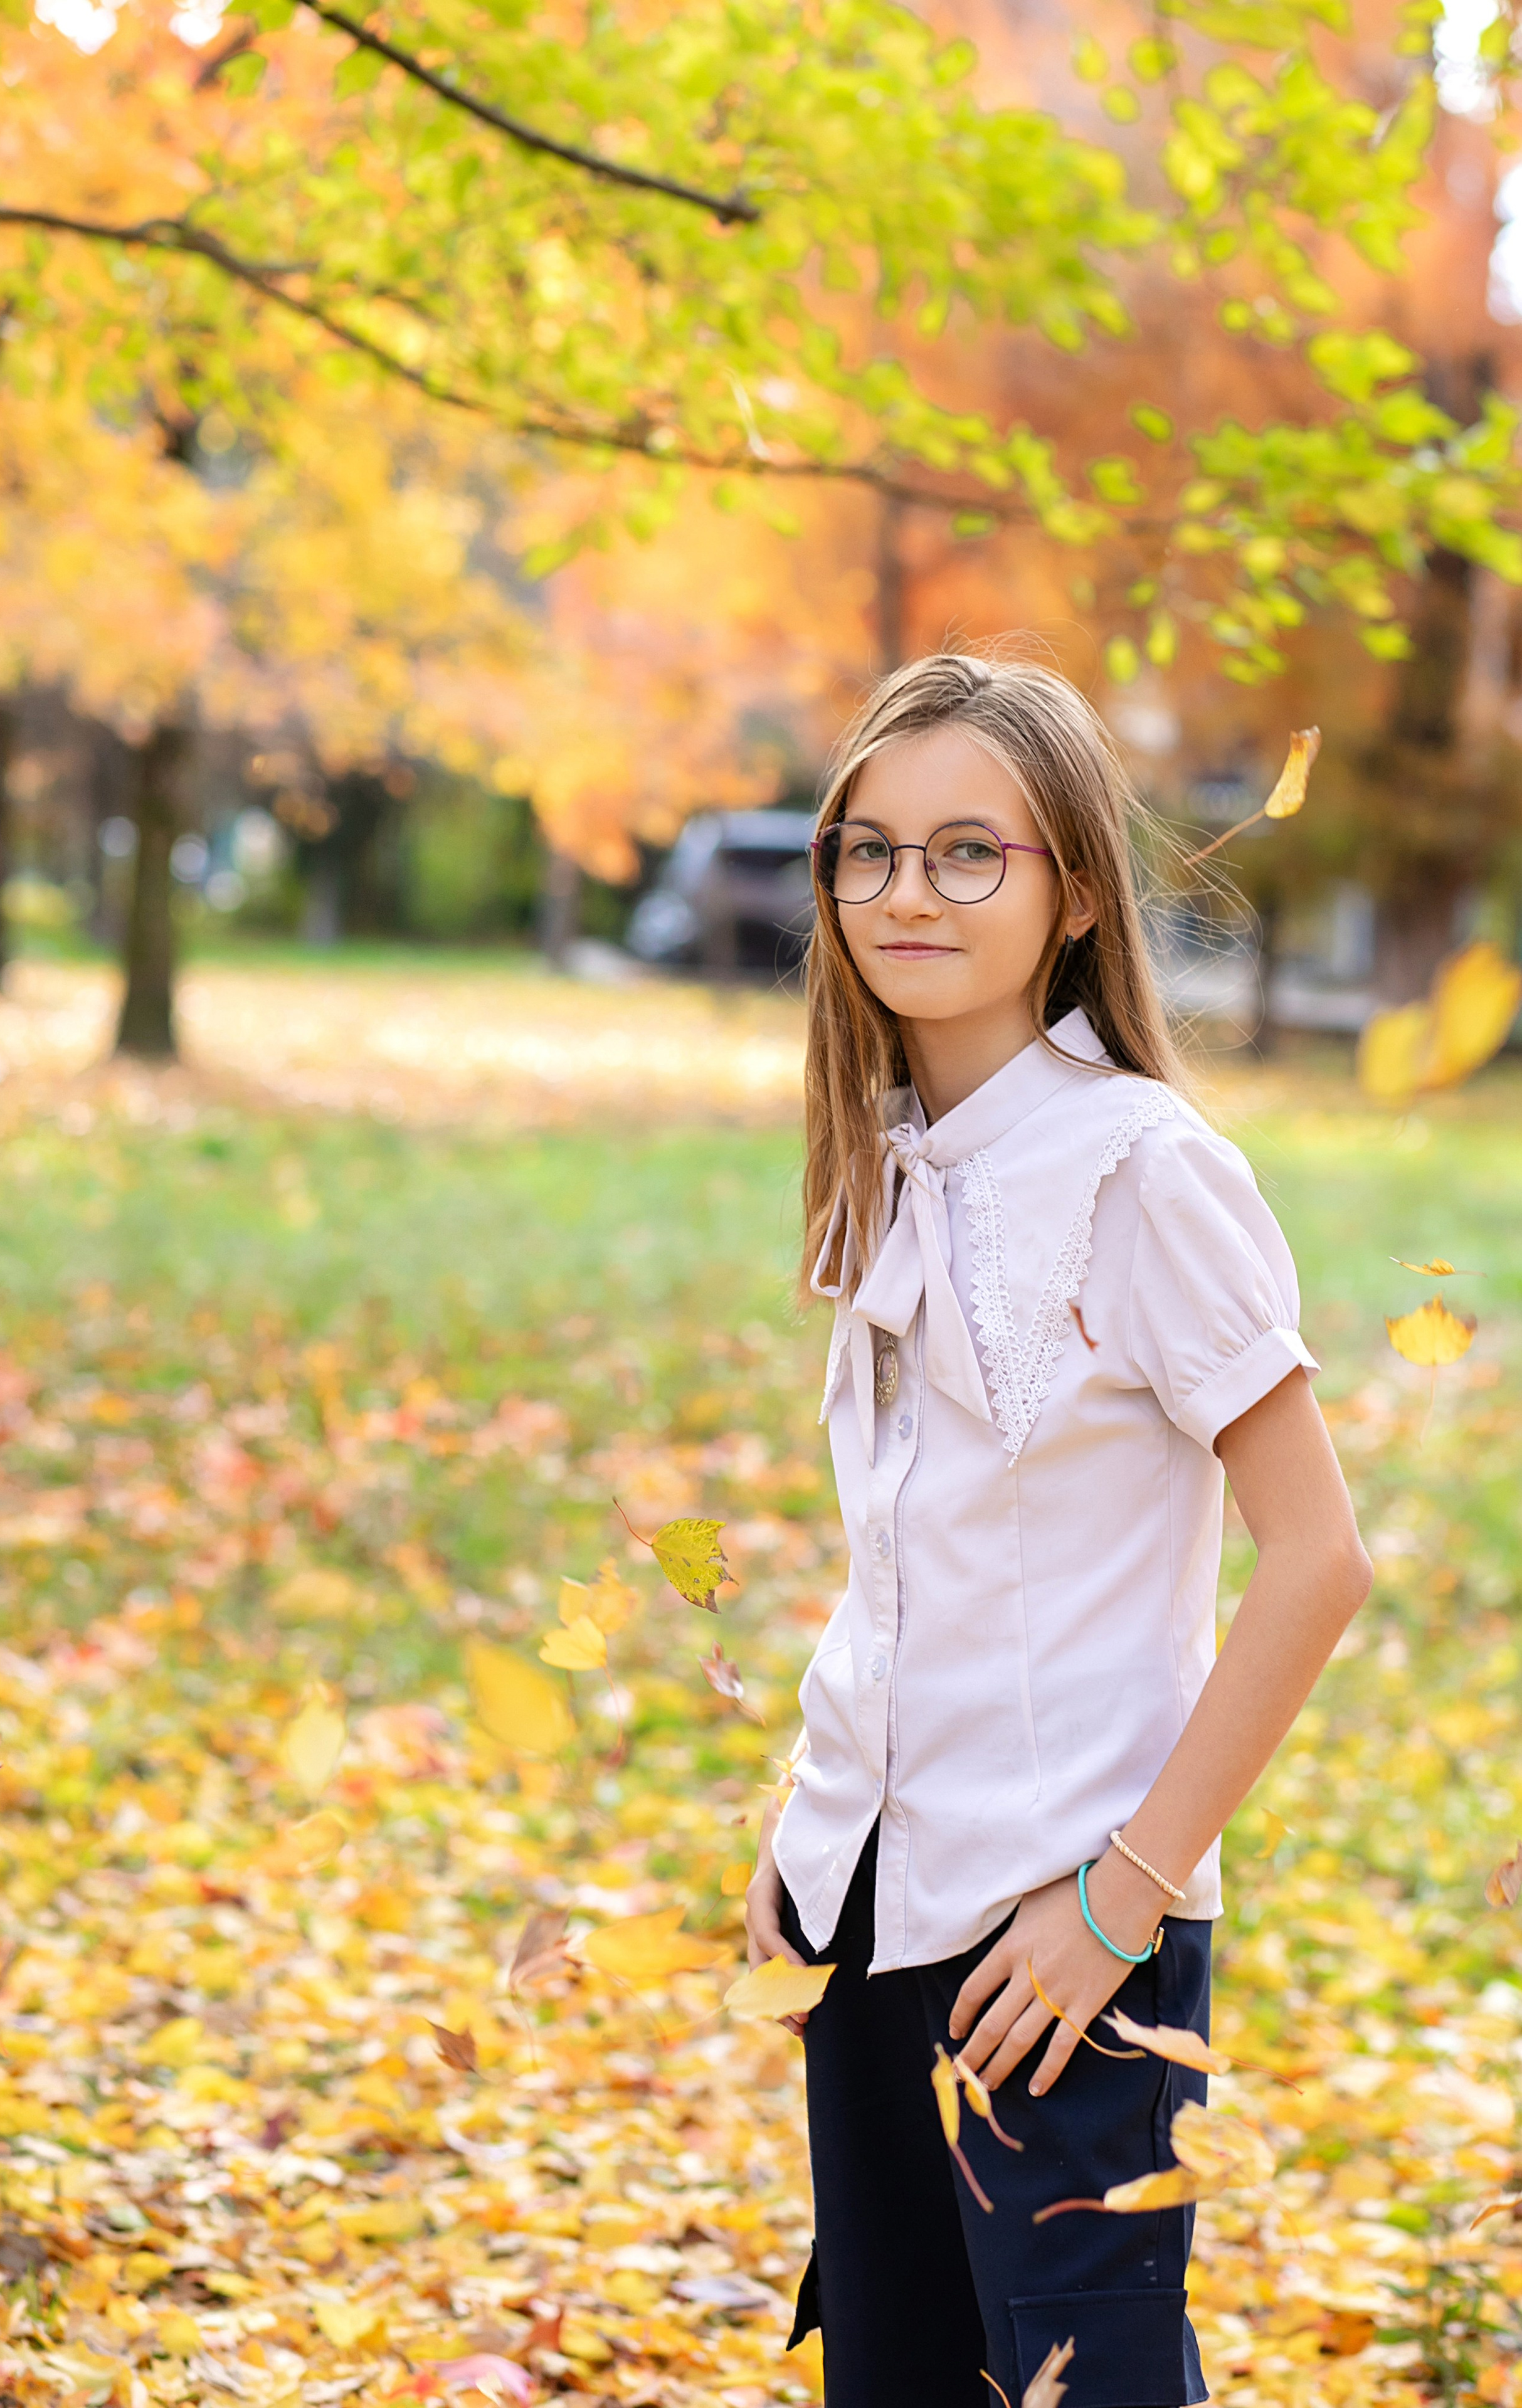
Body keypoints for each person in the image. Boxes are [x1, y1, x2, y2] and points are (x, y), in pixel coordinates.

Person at [744, 653, 1371, 2408]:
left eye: (969, 853)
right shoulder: (894, 1159)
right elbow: (913, 1552)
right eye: (867, 852)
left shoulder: (1141, 1169)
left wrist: (1125, 1895)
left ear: (1076, 887)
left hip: (1063, 1938)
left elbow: (1319, 1564)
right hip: (875, 1910)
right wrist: (820, 1815)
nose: (905, 893)